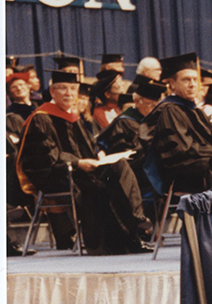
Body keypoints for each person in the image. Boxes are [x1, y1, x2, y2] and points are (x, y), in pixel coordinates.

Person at [17, 70, 151, 254]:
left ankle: (134, 228)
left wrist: (99, 155)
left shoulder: (73, 116)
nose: (69, 93)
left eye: (73, 89)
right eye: (63, 88)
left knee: (118, 168)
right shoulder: (41, 117)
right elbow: (47, 156)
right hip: (56, 174)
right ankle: (121, 239)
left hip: (83, 170)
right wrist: (79, 163)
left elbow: (89, 145)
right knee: (101, 185)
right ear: (52, 91)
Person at [139, 52, 212, 193]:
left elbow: (209, 141)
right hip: (182, 171)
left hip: (197, 163)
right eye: (186, 80)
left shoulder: (193, 109)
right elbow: (183, 149)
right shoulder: (169, 109)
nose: (193, 85)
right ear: (172, 84)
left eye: (195, 80)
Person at [98, 78, 168, 200]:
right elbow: (124, 153)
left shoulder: (157, 119)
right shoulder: (125, 122)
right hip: (132, 172)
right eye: (150, 104)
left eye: (156, 105)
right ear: (136, 101)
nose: (154, 108)